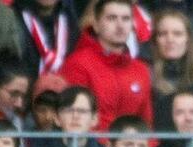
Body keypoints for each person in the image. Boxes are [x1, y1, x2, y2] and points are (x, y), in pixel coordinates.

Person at [60, 0, 153, 132]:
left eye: (126, 19)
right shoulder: (77, 64)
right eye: (112, 18)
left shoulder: (141, 69)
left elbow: (146, 124)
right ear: (96, 25)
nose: (120, 25)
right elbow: (73, 120)